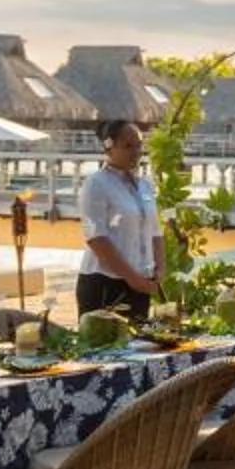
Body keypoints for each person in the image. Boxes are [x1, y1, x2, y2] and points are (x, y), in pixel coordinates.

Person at [73, 119, 161, 322]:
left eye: (139, 145)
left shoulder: (145, 185)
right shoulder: (96, 184)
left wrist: (160, 270)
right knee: (106, 340)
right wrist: (133, 279)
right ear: (109, 148)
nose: (136, 151)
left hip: (142, 283)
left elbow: (155, 231)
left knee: (140, 340)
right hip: (105, 283)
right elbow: (95, 237)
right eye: (128, 146)